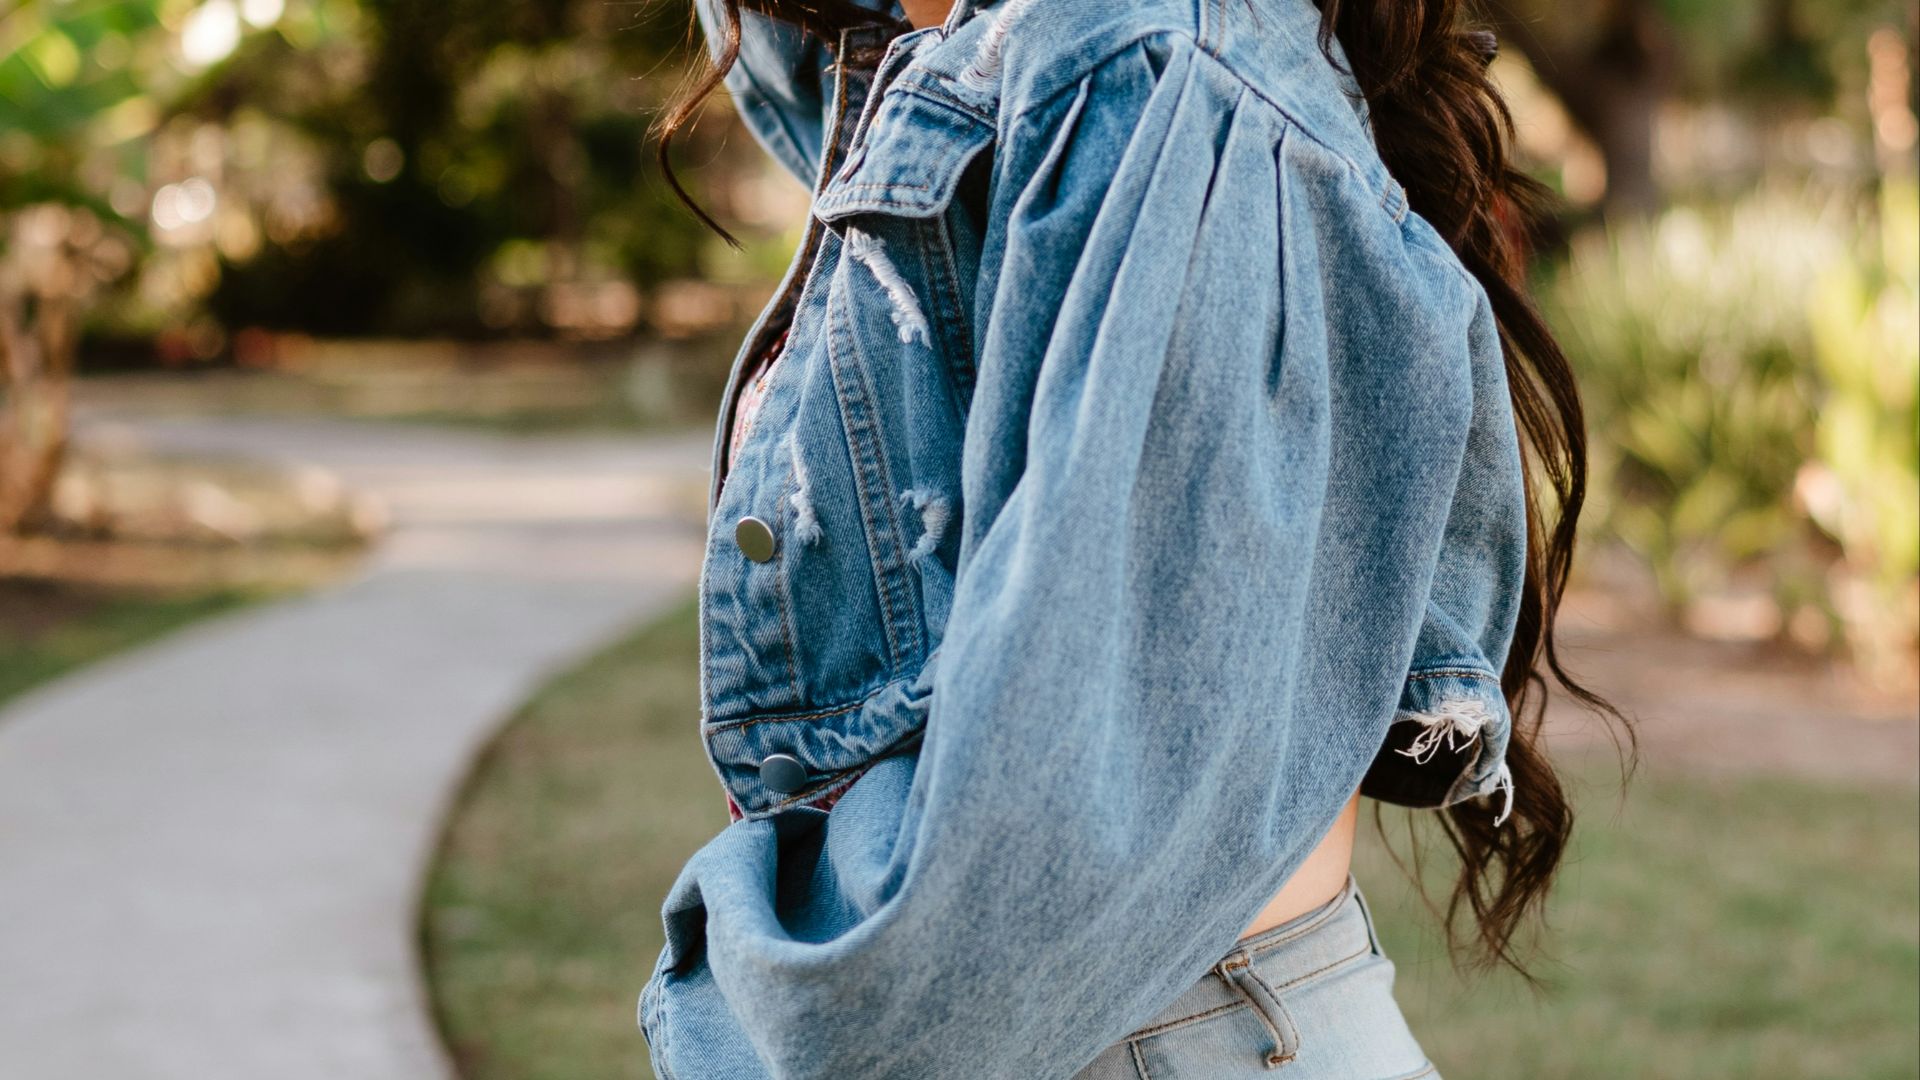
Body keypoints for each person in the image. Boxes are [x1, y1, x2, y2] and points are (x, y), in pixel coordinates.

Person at [639, 0, 1617, 1076]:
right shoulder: (992, 59)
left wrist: (721, 982)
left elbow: (1004, 916)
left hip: (1159, 1038)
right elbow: (789, 62)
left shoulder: (1134, 57)